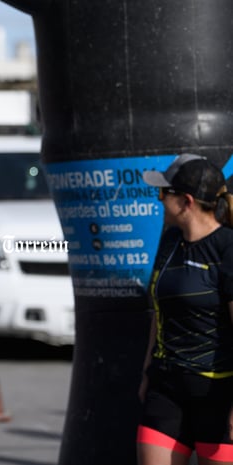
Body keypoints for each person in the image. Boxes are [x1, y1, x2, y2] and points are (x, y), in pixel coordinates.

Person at [138, 153, 233, 465]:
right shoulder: (169, 242)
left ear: (186, 201)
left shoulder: (227, 249)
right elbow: (158, 311)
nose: (159, 199)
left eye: (164, 193)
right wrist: (147, 371)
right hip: (166, 389)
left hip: (217, 394)